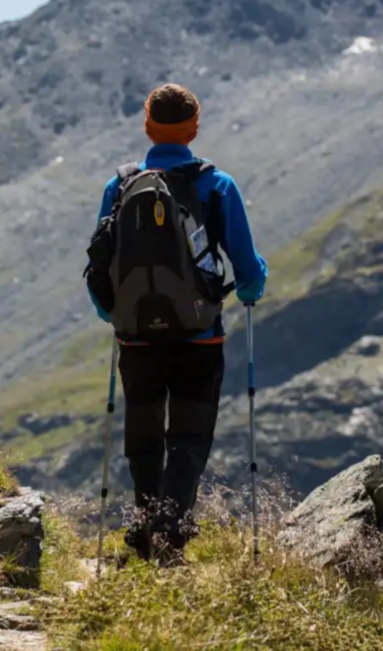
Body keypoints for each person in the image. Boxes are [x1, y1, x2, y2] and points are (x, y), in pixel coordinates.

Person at [87, 83, 267, 563]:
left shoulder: (121, 184)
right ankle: (170, 528)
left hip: (135, 337)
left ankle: (147, 528)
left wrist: (112, 311)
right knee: (188, 437)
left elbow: (98, 263)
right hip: (198, 334)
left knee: (143, 435)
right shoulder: (216, 184)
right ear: (194, 127)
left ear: (147, 125)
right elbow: (247, 268)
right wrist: (251, 289)